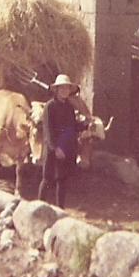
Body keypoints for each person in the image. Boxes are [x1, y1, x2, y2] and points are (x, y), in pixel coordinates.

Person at [38, 74, 87, 208]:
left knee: (62, 179)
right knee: (47, 179)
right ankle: (38, 208)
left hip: (65, 147)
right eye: (62, 88)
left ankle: (60, 208)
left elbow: (72, 126)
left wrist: (85, 125)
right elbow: (48, 130)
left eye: (67, 88)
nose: (65, 91)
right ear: (57, 90)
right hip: (53, 148)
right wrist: (55, 148)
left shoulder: (69, 107)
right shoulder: (50, 106)